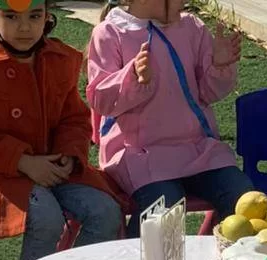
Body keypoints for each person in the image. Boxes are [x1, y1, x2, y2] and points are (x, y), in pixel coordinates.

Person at [0, 0, 124, 260]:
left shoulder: (59, 60)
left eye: (35, 16)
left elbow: (74, 119)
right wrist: (23, 162)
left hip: (54, 166)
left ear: (46, 15)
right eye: (11, 17)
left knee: (105, 212)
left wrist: (68, 156)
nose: (24, 27)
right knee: (46, 217)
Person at [87, 0, 253, 232]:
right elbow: (101, 101)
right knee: (162, 208)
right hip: (140, 155)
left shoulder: (192, 27)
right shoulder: (109, 33)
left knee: (244, 200)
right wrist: (133, 76)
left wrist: (219, 65)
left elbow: (208, 93)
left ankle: (224, 253)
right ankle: (136, 255)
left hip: (198, 150)